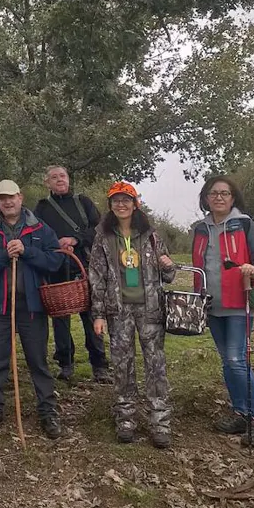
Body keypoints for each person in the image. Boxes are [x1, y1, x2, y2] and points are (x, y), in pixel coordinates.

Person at [88, 182, 178, 447]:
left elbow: (169, 274)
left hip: (150, 311)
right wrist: (98, 314)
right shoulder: (103, 237)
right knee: (122, 366)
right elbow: (96, 277)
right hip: (118, 312)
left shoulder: (151, 235)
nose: (121, 205)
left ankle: (160, 422)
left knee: (155, 366)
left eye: (126, 200)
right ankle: (125, 418)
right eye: (115, 200)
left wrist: (168, 265)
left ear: (135, 203)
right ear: (110, 206)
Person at [0, 181, 65, 438]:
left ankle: (48, 412)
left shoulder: (40, 229)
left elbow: (54, 260)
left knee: (38, 362)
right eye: (2, 198)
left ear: (20, 197)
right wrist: (4, 254)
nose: (7, 202)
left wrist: (27, 251)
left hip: (32, 308)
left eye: (11, 197)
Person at [192, 175, 254, 447]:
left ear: (232, 198)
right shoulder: (199, 229)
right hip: (212, 305)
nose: (218, 197)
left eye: (224, 193)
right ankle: (240, 412)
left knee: (237, 360)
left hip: (240, 304)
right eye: (213, 193)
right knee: (227, 362)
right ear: (205, 198)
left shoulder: (246, 225)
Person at [34, 165, 110, 384]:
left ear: (68, 179)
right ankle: (65, 363)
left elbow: (99, 228)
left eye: (63, 176)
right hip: (57, 267)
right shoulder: (42, 208)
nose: (59, 180)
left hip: (84, 267)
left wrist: (76, 240)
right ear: (47, 182)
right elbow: (37, 234)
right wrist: (56, 245)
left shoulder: (83, 202)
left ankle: (99, 365)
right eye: (54, 177)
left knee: (91, 317)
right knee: (60, 319)